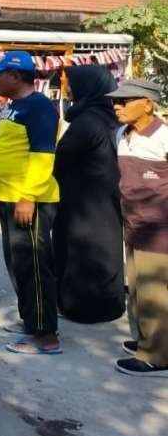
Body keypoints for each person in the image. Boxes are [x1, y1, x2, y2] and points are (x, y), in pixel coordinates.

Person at [0, 51, 61, 355]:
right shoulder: (16, 106)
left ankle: (46, 336)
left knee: (34, 267)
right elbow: (8, 150)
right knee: (17, 264)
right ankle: (31, 320)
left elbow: (43, 157)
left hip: (29, 200)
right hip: (7, 197)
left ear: (15, 76)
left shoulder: (39, 108)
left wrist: (28, 197)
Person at [52, 66, 125, 324]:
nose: (67, 89)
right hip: (103, 200)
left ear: (87, 86)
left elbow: (60, 160)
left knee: (82, 253)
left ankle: (83, 307)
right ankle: (110, 304)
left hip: (82, 203)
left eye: (71, 83)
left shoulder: (86, 122)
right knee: (105, 250)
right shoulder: (107, 117)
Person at [109, 79, 168, 378]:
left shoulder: (164, 137)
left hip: (159, 228)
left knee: (154, 292)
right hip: (133, 222)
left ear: (148, 104)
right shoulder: (121, 133)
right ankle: (145, 339)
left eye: (125, 101)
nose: (117, 106)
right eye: (115, 102)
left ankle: (157, 357)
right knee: (137, 290)